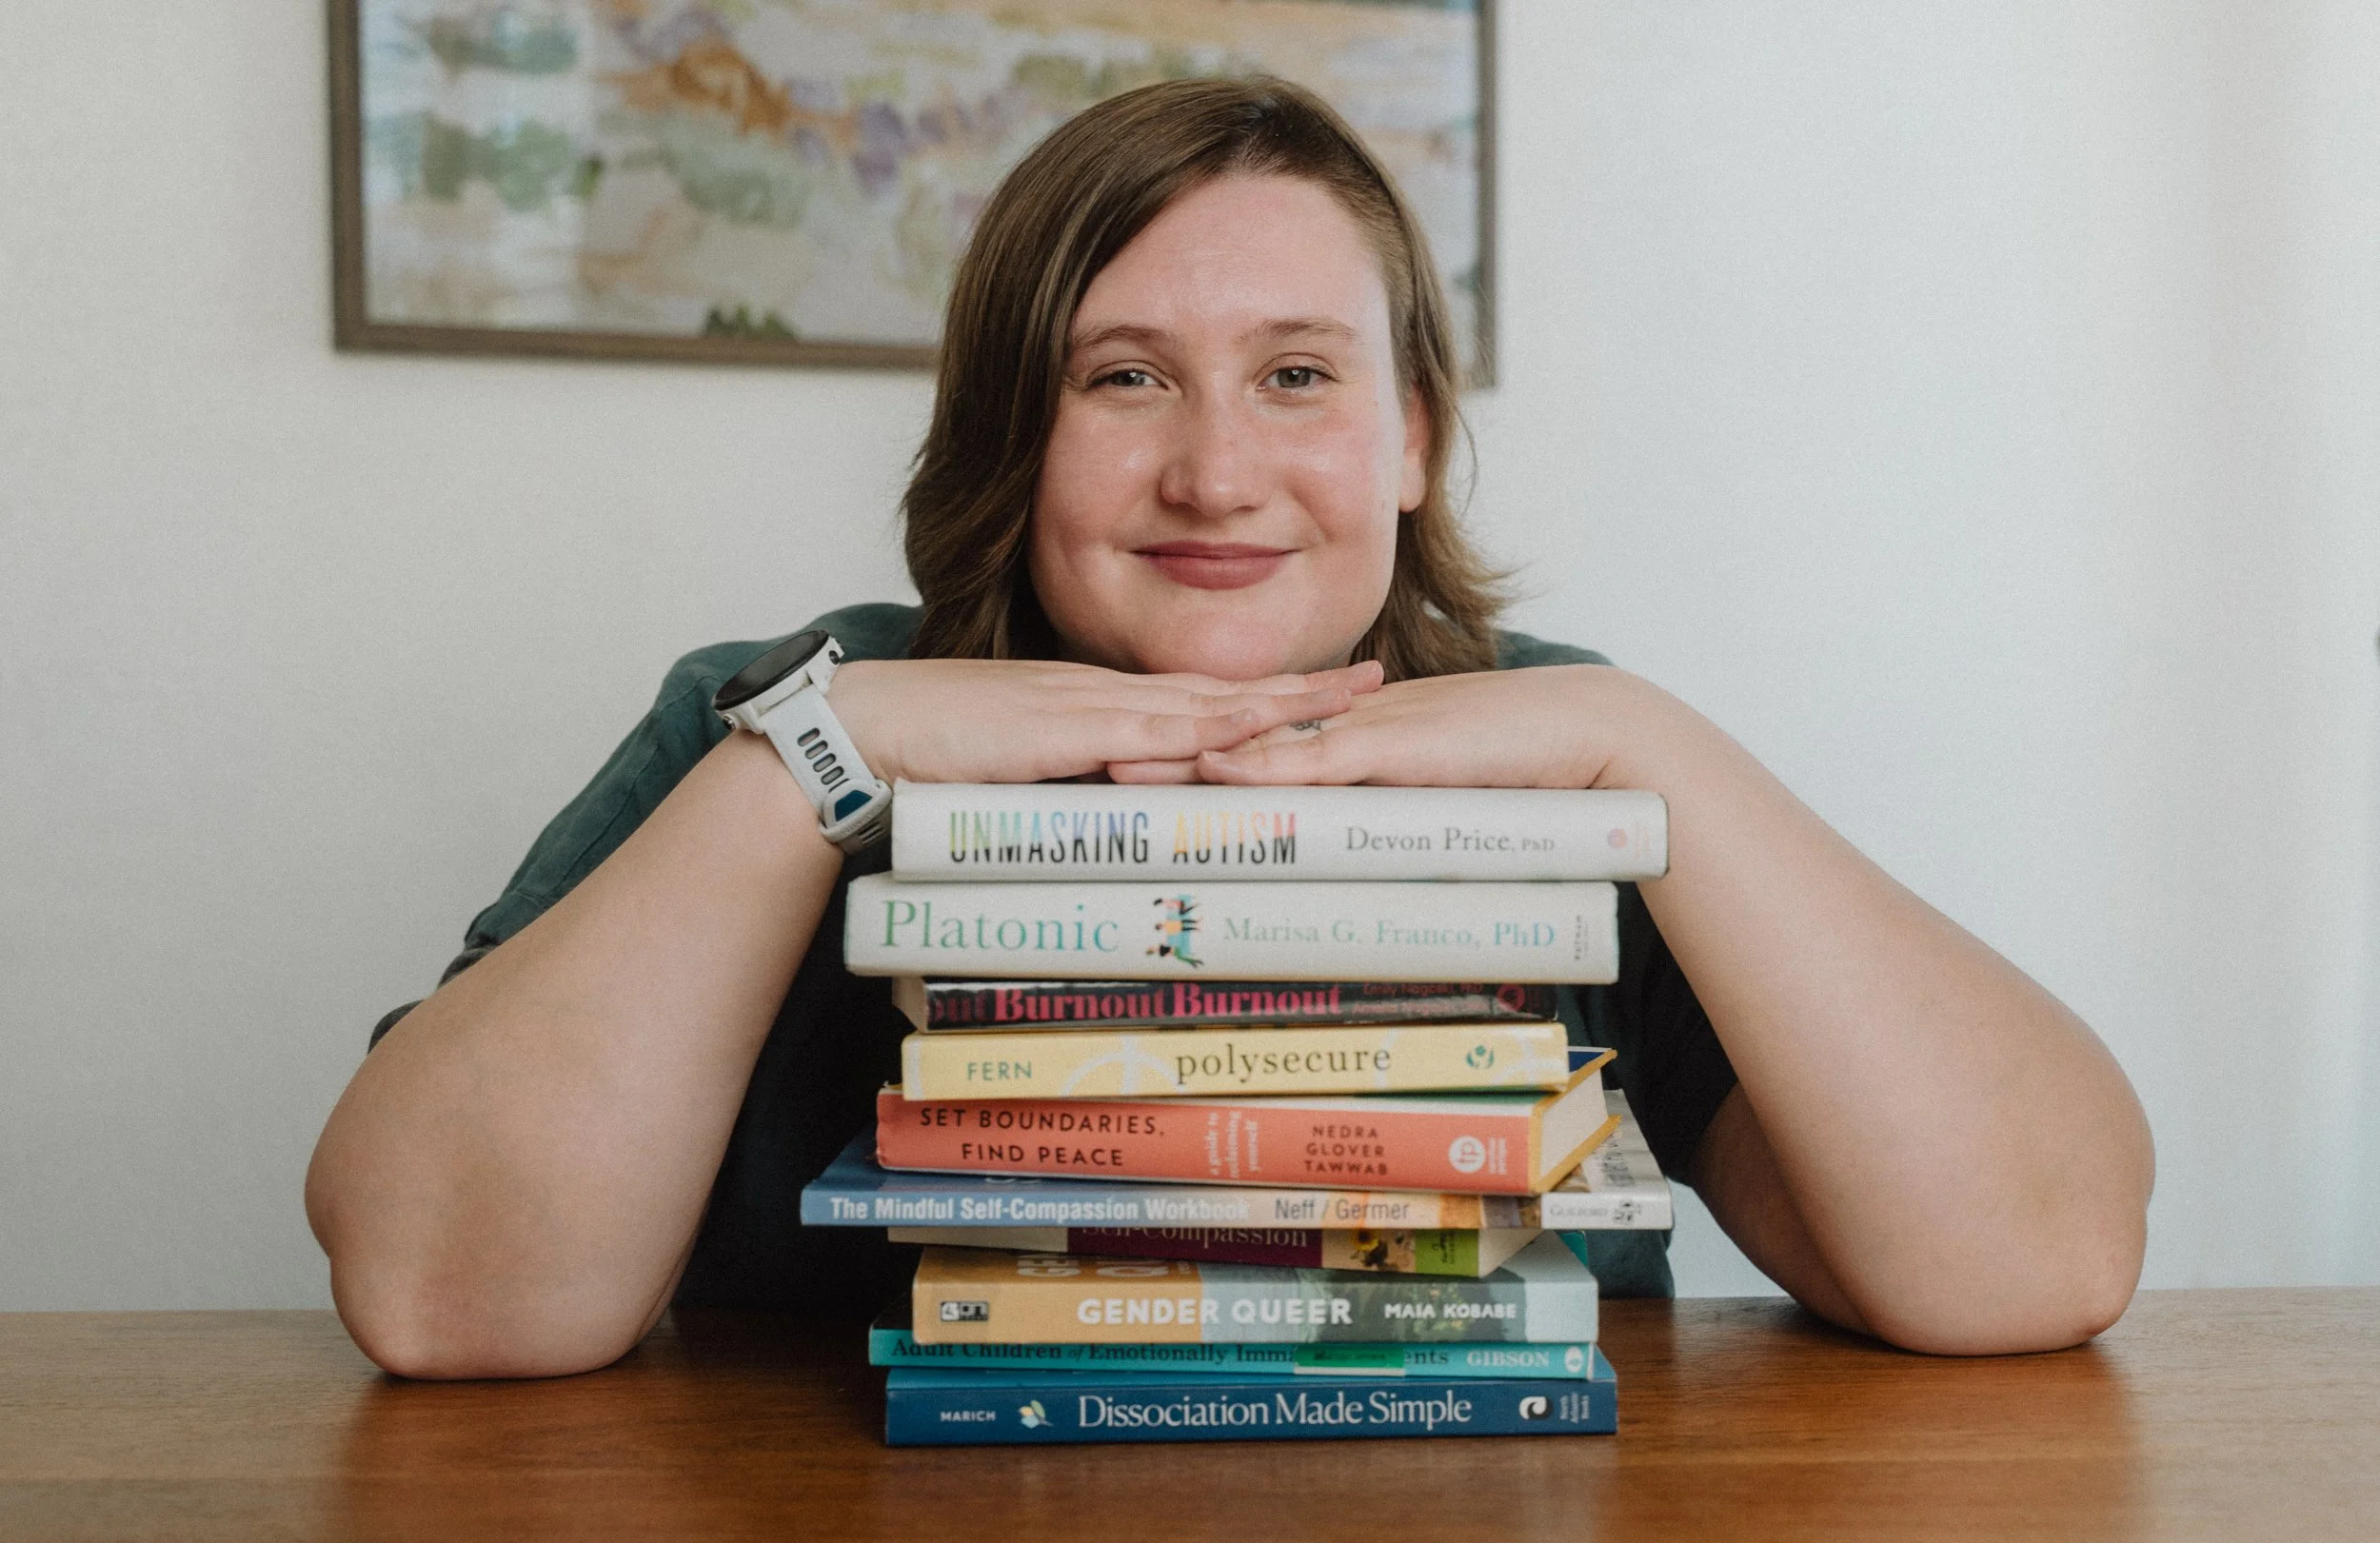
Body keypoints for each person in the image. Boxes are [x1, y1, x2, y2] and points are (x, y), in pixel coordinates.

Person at [307, 78, 2152, 1381]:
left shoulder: (1560, 753)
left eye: (1295, 374)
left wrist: (1661, 754)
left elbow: (2033, 1263)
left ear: (1410, 433)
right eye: (1121, 377)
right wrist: (819, 749)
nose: (1213, 473)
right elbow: (445, 1296)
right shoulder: (782, 716)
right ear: (1010, 430)